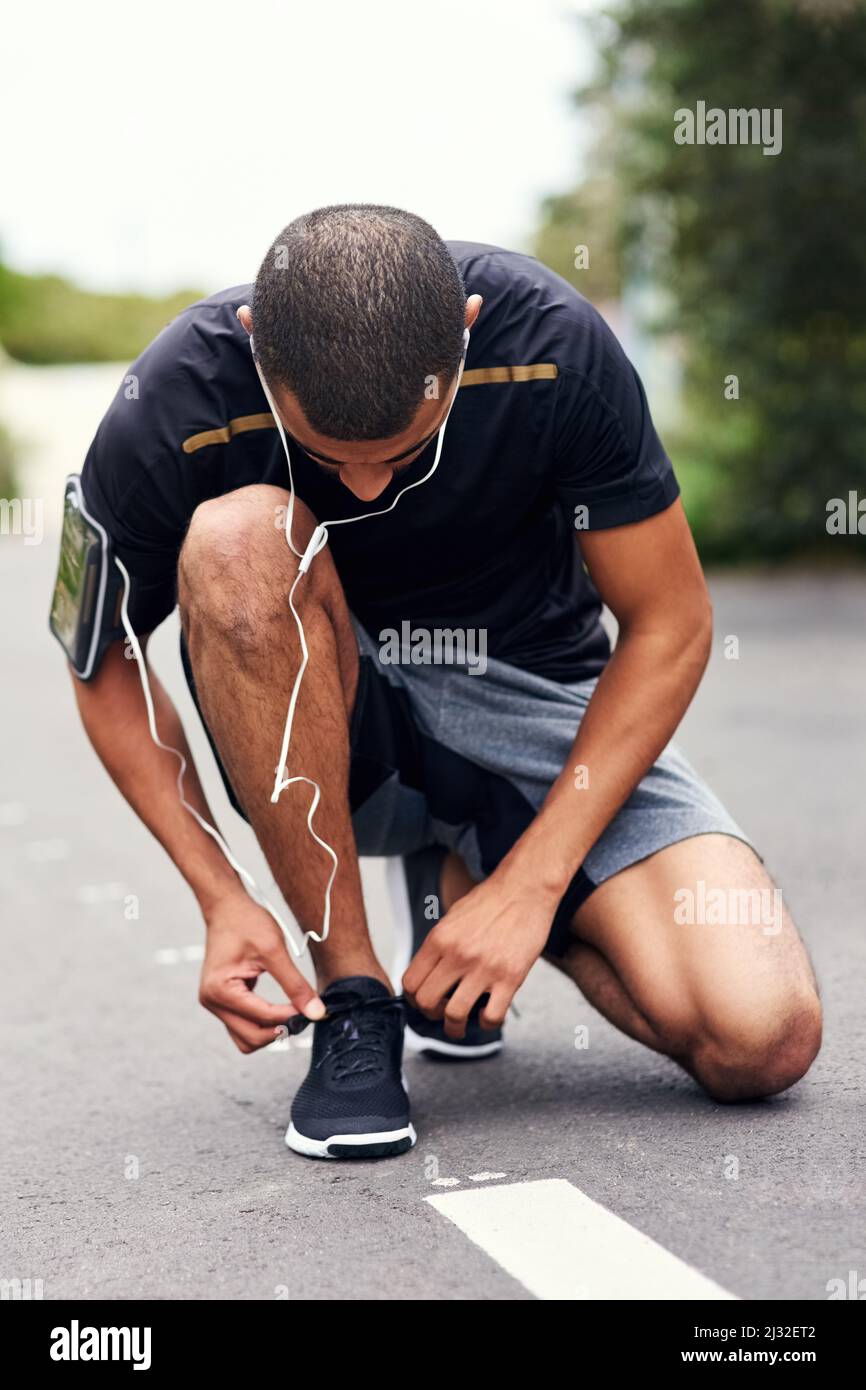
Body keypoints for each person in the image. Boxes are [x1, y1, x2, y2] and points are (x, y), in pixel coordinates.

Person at [64, 204, 821, 1160]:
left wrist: (531, 891)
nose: (371, 488)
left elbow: (672, 625)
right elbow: (101, 661)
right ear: (257, 350)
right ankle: (354, 999)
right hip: (325, 735)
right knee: (235, 536)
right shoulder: (172, 400)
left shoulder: (554, 347)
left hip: (532, 703)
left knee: (761, 1037)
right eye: (335, 458)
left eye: (404, 451)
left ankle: (475, 875)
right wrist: (221, 895)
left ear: (465, 331)